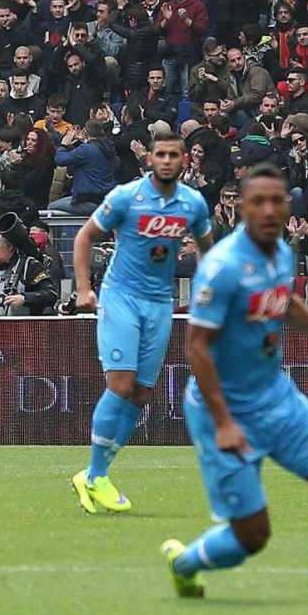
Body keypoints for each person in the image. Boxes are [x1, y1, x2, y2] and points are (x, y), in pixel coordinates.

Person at [160, 162, 308, 607]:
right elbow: (197, 348)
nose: (267, 209)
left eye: (276, 200)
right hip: (222, 410)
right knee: (252, 536)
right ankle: (184, 564)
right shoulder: (222, 267)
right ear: (240, 208)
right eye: (257, 201)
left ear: (288, 205)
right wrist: (224, 423)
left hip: (276, 399)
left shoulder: (282, 253)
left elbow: (286, 301)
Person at [69, 123, 212, 515]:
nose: (167, 161)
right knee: (121, 384)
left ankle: (98, 474)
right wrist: (84, 289)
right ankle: (94, 476)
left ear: (185, 160)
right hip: (121, 298)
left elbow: (209, 253)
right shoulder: (126, 198)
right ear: (149, 159)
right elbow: (84, 237)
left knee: (142, 394)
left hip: (159, 303)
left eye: (174, 155)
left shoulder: (192, 204)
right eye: (160, 155)